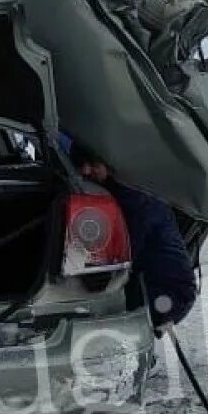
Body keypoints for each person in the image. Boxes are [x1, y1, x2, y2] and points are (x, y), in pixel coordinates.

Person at [65, 136, 198, 330]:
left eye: (93, 164)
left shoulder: (134, 197)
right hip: (160, 287)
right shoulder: (121, 185)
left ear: (109, 161)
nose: (85, 170)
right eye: (80, 165)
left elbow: (123, 255)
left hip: (168, 296)